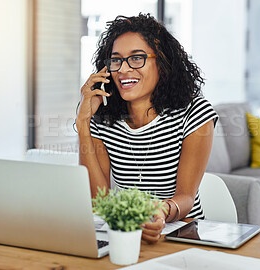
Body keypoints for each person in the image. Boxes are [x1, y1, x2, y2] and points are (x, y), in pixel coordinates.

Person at [75, 13, 218, 244]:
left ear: (161, 62)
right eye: (116, 60)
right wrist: (83, 124)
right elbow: (98, 201)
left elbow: (186, 196)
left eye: (137, 58)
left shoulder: (194, 112)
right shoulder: (103, 119)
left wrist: (161, 211)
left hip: (183, 236)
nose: (123, 69)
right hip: (128, 235)